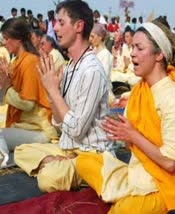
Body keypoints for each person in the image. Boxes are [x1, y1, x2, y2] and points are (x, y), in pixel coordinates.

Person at [76, 18, 175, 213]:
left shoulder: (172, 98)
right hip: (139, 172)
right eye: (132, 47)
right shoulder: (141, 90)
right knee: (84, 160)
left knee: (124, 210)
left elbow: (170, 163)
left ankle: (128, 199)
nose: (132, 53)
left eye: (139, 48)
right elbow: (134, 141)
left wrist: (132, 135)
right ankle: (123, 193)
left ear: (159, 54)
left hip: (162, 184)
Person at [14, 0, 113, 192]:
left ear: (78, 26)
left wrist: (52, 91)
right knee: (21, 150)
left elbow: (76, 130)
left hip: (92, 155)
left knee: (48, 179)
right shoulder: (69, 67)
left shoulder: (91, 70)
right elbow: (58, 124)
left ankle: (58, 166)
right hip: (68, 149)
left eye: (61, 22)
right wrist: (53, 95)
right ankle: (55, 161)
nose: (55, 28)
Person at [0, 18, 58, 167]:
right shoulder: (17, 62)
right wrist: (7, 79)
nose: (4, 43)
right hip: (24, 125)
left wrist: (7, 87)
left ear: (18, 39)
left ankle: (3, 159)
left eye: (6, 39)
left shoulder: (30, 61)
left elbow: (27, 104)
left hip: (38, 128)